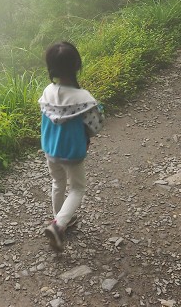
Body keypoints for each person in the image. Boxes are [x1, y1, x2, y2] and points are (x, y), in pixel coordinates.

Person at [39, 41, 103, 252]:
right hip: (73, 152)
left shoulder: (47, 92)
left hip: (50, 150)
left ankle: (59, 219)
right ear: (77, 65)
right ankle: (59, 225)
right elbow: (96, 126)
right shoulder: (83, 98)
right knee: (77, 188)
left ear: (52, 68)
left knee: (57, 182)